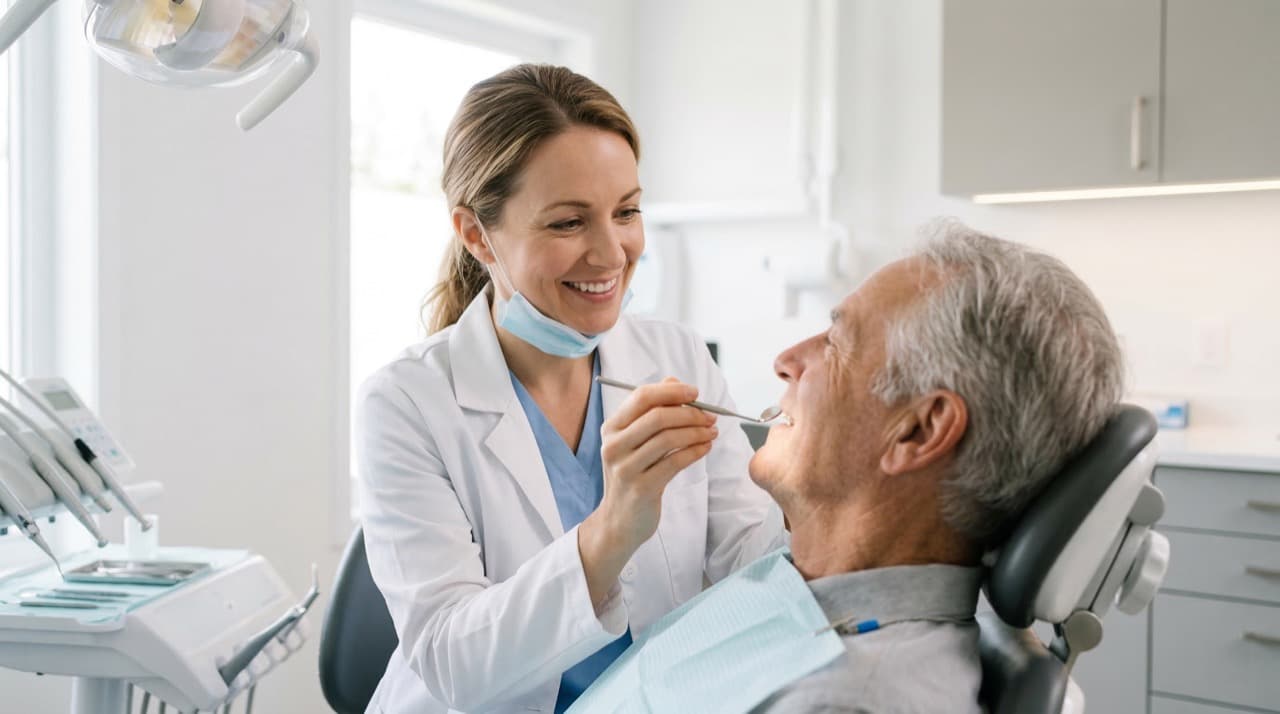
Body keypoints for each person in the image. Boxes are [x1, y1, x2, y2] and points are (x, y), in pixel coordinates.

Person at [355, 64, 786, 714]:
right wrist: (613, 528)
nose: (613, 253)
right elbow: (453, 663)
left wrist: (813, 489)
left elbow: (746, 564)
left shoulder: (675, 355)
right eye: (567, 223)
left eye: (627, 212)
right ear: (476, 234)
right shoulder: (406, 402)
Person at [571, 222, 1126, 713]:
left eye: (836, 343)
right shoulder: (802, 582)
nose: (786, 360)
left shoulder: (849, 699)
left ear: (917, 431)